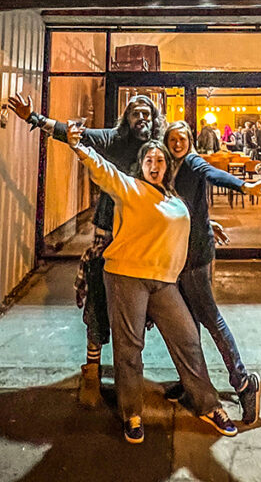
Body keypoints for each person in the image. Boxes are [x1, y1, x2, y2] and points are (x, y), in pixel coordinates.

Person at [64, 121, 238, 443]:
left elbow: (172, 226)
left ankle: (207, 403)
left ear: (166, 166)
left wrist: (207, 226)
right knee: (129, 348)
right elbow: (102, 169)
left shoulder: (173, 199)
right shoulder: (129, 188)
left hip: (162, 280)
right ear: (141, 165)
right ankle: (132, 412)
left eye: (160, 161)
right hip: (126, 276)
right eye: (149, 161)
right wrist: (78, 146)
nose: (154, 165)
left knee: (187, 338)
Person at [8, 92, 163, 405]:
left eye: (147, 114)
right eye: (136, 114)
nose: (142, 119)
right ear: (127, 118)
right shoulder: (111, 140)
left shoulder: (158, 148)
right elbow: (72, 133)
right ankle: (91, 371)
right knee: (97, 305)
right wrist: (33, 117)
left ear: (155, 118)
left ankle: (129, 372)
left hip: (143, 241)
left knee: (137, 312)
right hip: (107, 239)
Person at [163, 120, 261, 424]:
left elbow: (213, 174)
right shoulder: (166, 168)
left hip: (195, 255)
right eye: (172, 139)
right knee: (188, 324)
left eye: (182, 138)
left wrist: (245, 185)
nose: (177, 144)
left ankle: (243, 383)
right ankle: (193, 383)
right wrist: (207, 221)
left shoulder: (193, 162)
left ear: (190, 140)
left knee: (210, 317)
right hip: (177, 253)